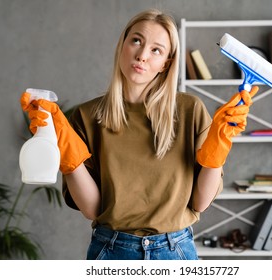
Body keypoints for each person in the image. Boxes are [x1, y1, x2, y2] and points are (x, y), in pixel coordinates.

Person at [20, 8, 258, 260]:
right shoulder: (87, 116)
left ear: (166, 63)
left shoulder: (190, 110)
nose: (142, 55)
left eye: (156, 49)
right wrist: (68, 153)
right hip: (110, 250)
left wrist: (218, 148)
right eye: (136, 40)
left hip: (174, 251)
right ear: (123, 44)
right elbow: (92, 209)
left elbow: (200, 203)